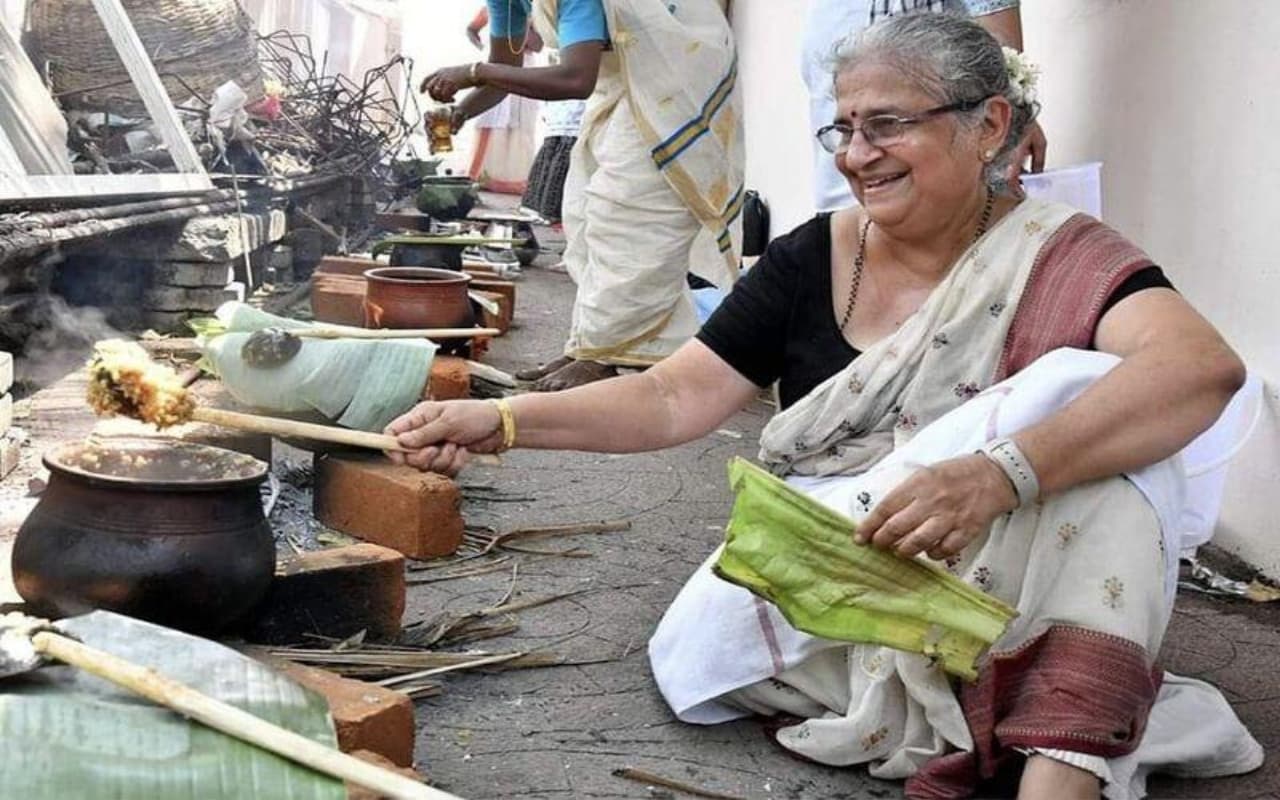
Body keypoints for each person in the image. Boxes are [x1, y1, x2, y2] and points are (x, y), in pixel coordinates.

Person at [392, 14, 1260, 799]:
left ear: (990, 125)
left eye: (886, 124)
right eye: (842, 128)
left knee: (1108, 457)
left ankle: (1060, 766)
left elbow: (1201, 370)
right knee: (707, 653)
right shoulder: (814, 256)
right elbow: (671, 397)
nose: (855, 155)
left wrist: (999, 475)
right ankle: (1015, 698)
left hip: (1001, 548)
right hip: (839, 572)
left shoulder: (1058, 253)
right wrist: (504, 422)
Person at [422, 0, 744, 392]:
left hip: (675, 77)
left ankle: (606, 356)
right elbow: (505, 68)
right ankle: (590, 348)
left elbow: (576, 79)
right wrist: (461, 113)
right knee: (585, 213)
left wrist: (473, 71)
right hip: (624, 84)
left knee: (627, 214)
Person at [803, 0, 1047, 212]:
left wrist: (1013, 121)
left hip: (948, 207)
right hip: (843, 200)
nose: (856, 156)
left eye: (886, 123)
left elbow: (1002, 71)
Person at [460, 7, 541, 194]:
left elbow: (538, 46)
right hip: (494, 66)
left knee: (521, 124)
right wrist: (483, 48)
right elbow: (471, 29)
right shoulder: (492, 8)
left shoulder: (533, 12)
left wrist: (524, 24)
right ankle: (481, 175)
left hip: (524, 69)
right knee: (489, 117)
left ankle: (514, 179)